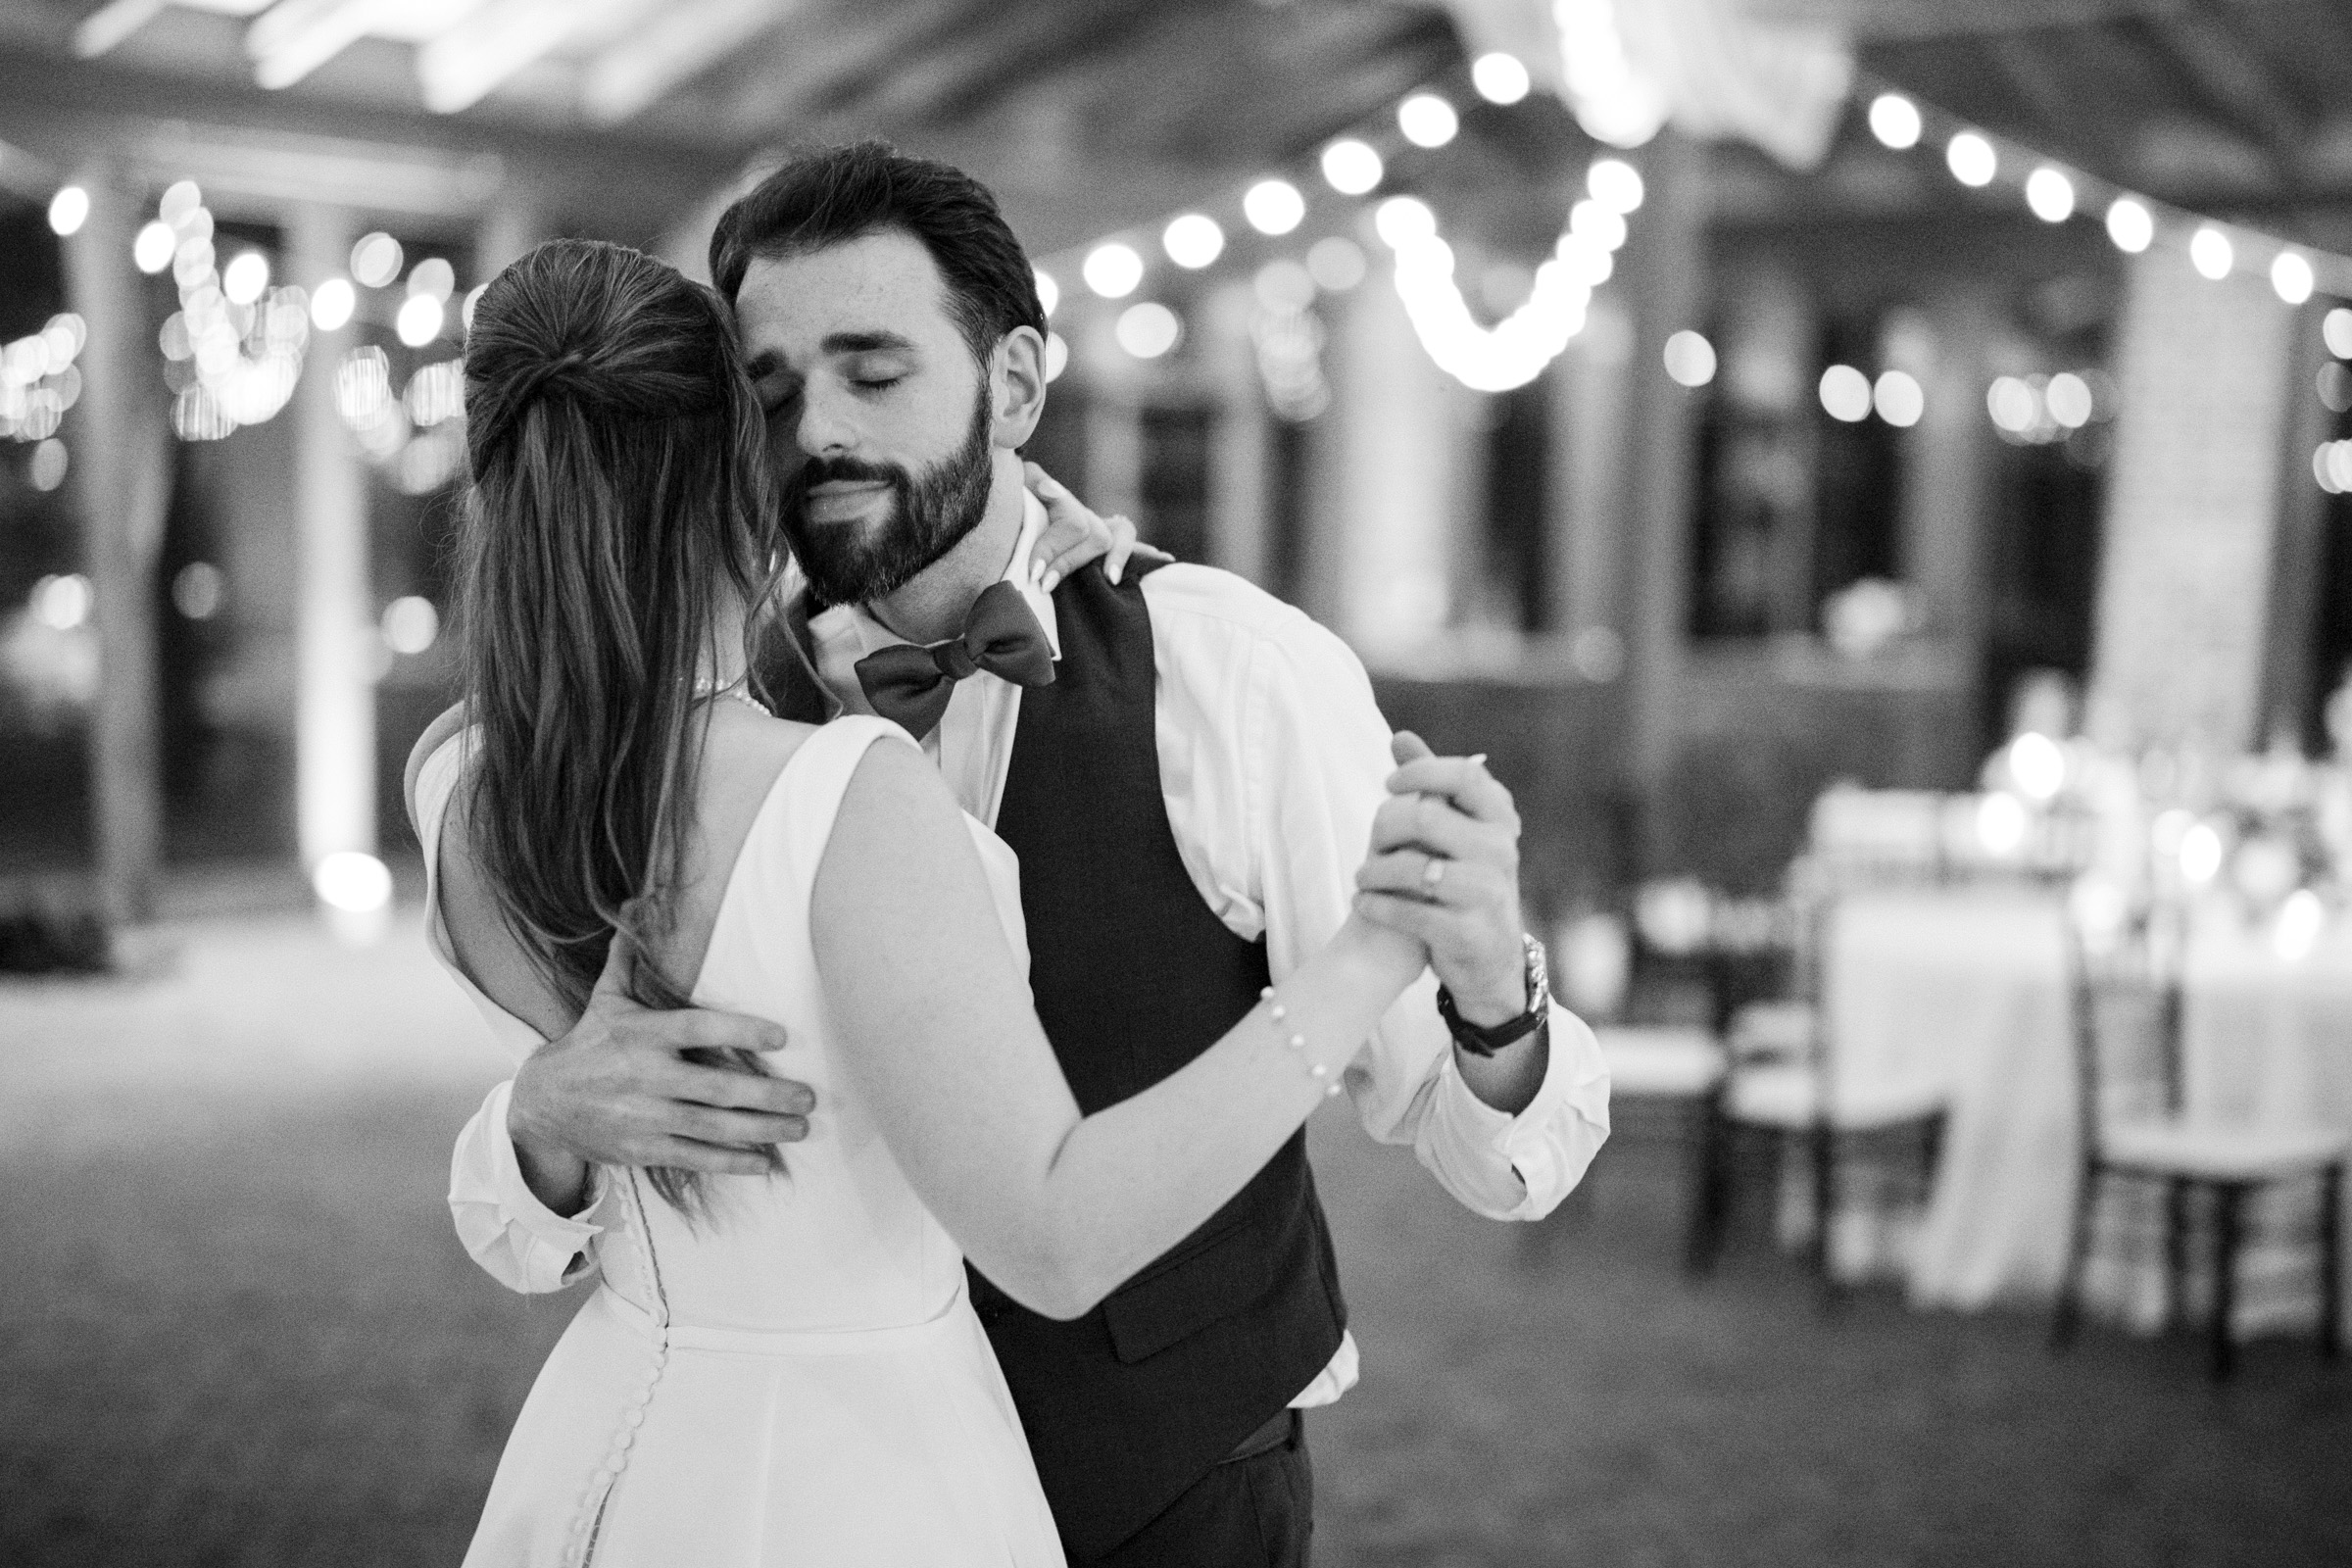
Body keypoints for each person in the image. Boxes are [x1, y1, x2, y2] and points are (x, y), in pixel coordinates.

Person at [443, 145, 1610, 1566]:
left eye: (874, 373)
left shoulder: (1236, 674)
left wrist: (1498, 993)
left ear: (1012, 384)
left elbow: (1493, 1153)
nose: (818, 432)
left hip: (1174, 1495)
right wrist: (541, 1124)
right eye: (772, 389)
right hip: (817, 1494)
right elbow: (567, 1224)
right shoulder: (686, 715)